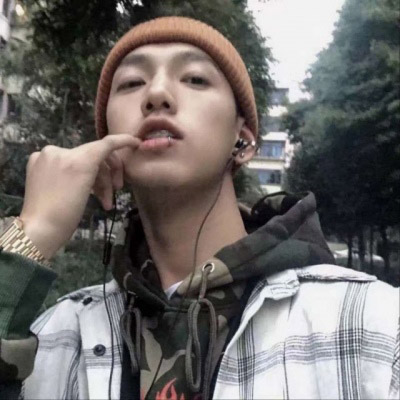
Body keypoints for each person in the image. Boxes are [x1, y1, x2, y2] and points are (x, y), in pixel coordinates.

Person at [0, 16, 398, 400]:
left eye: (194, 79)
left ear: (244, 141)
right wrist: (31, 235)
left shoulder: (370, 328)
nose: (157, 94)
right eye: (132, 83)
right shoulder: (51, 338)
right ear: (106, 147)